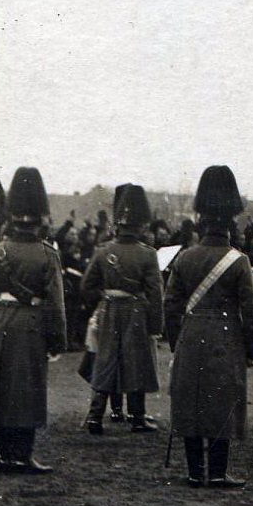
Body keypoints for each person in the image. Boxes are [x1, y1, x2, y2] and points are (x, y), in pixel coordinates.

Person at [164, 165, 253, 489]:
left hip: (190, 337)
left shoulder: (184, 258)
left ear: (201, 220)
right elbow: (250, 311)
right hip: (226, 338)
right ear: (231, 223)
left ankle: (195, 471)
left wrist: (176, 342)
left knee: (190, 400)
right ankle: (218, 472)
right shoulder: (239, 261)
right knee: (222, 402)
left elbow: (171, 307)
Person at [0, 167, 68, 474]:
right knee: (27, 390)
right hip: (32, 325)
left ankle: (5, 454)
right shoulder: (47, 254)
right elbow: (56, 304)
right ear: (40, 216)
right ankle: (21, 454)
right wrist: (57, 340)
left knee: (2, 387)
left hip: (2, 321)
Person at [81, 184, 165, 435]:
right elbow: (155, 293)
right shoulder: (148, 255)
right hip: (136, 313)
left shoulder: (103, 251)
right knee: (136, 363)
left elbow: (86, 286)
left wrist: (104, 299)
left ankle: (95, 416)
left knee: (105, 360)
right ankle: (137, 417)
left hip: (109, 311)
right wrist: (155, 324)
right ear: (140, 226)